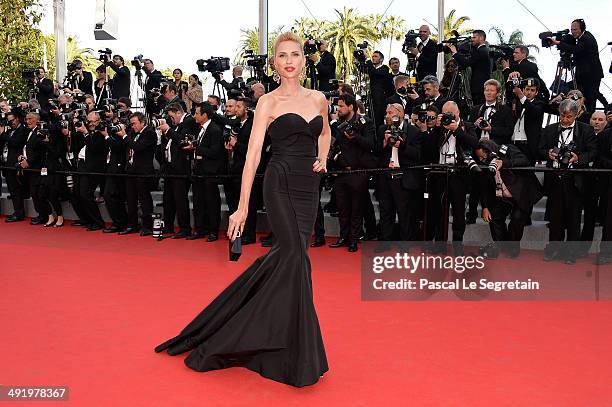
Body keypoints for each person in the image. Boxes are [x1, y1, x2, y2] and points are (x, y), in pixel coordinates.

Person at [155, 31, 330, 387]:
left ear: (303, 58)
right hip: (279, 180)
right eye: (282, 56)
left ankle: (279, 340)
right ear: (274, 63)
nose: (290, 61)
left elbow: (324, 132)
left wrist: (323, 155)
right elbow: (252, 156)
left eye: (295, 54)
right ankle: (277, 346)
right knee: (295, 255)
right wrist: (242, 207)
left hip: (307, 186)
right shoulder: (268, 102)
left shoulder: (319, 98)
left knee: (291, 258)